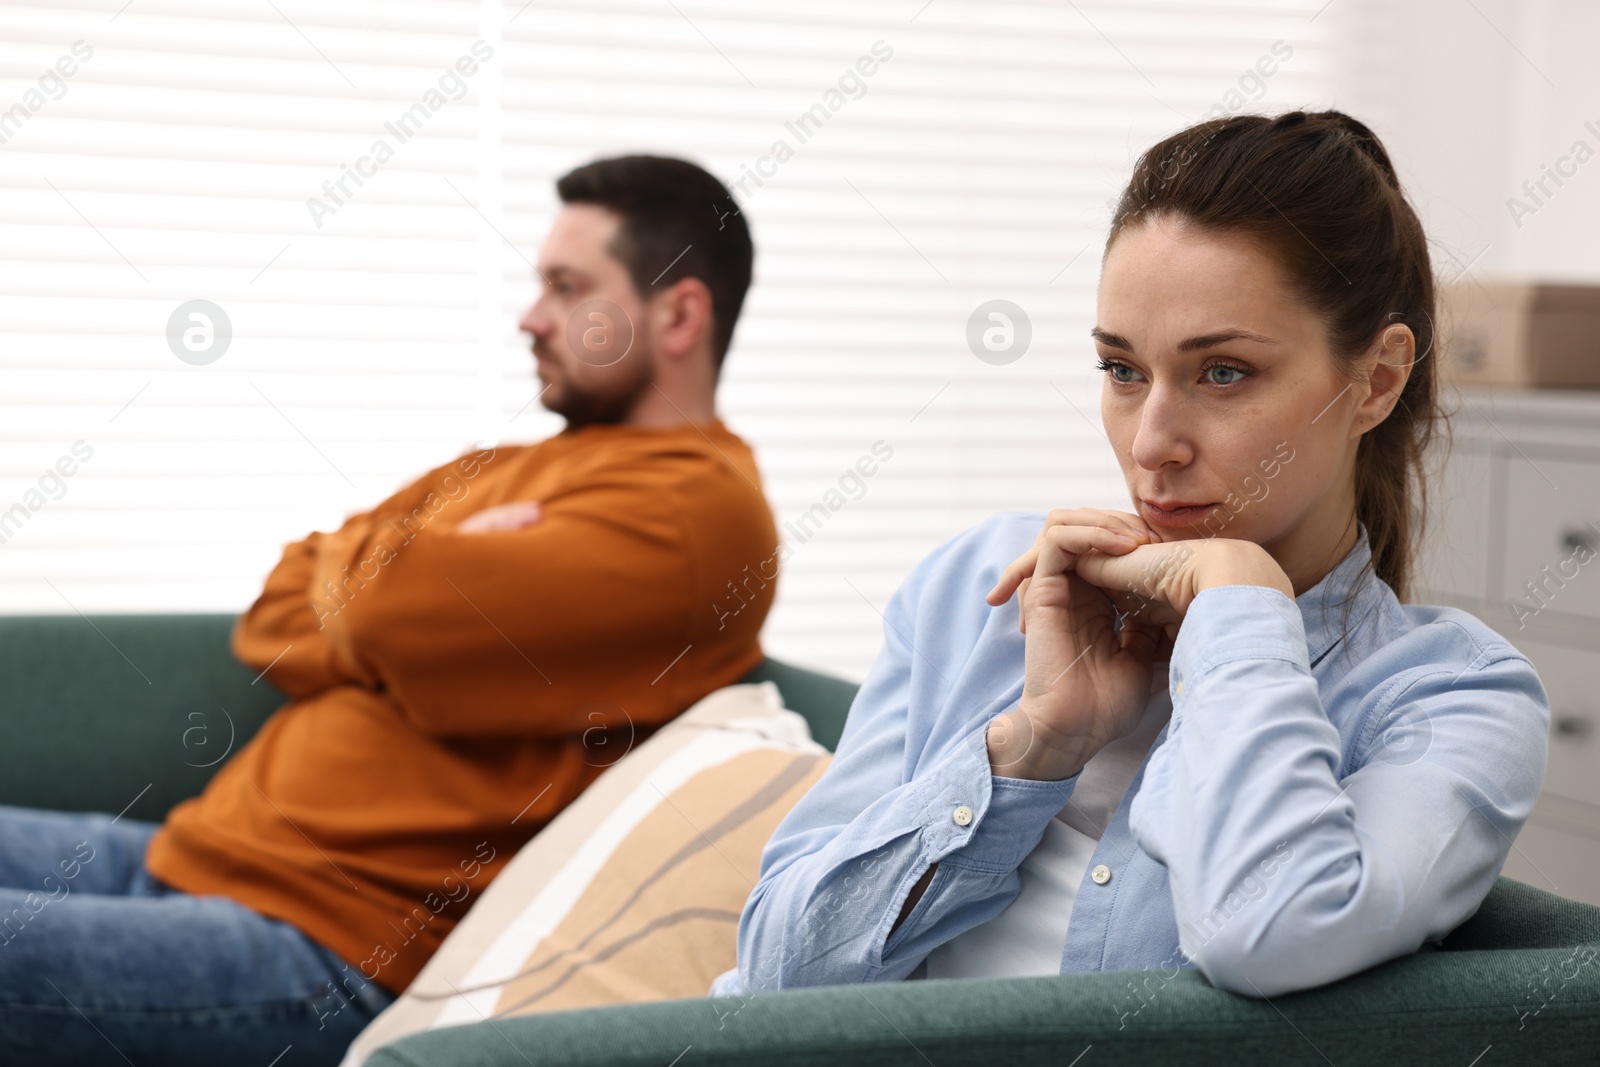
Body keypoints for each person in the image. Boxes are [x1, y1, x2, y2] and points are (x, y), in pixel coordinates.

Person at [712, 111, 1550, 1003]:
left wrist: (1237, 608)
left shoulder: (1455, 696)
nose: (1151, 443)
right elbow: (777, 970)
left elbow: (1269, 933)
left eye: (1223, 372)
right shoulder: (980, 588)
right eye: (1121, 369)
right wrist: (1031, 747)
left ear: (1376, 380)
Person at [2, 155, 778, 1065]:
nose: (530, 317)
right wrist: (400, 579)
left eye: (568, 289)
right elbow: (272, 613)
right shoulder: (506, 468)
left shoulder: (697, 517)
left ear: (679, 314)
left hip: (318, 949)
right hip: (184, 856)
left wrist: (384, 588)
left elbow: (383, 613)